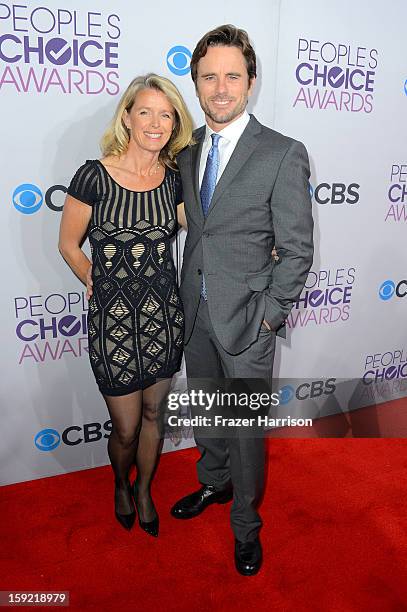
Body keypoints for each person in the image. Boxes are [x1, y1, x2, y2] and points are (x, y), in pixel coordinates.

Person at [170, 25, 314, 575]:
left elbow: (297, 250)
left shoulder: (282, 153)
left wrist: (269, 320)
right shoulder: (187, 154)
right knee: (208, 412)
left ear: (251, 83)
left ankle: (246, 528)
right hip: (196, 312)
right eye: (209, 77)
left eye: (232, 76)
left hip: (249, 320)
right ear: (197, 84)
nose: (221, 87)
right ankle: (214, 482)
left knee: (246, 431)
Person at [59, 74, 193, 537]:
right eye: (146, 112)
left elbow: (205, 231)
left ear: (175, 122)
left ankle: (144, 490)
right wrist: (92, 279)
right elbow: (69, 245)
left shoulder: (175, 181)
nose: (156, 123)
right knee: (127, 428)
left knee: (156, 415)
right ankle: (120, 482)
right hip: (111, 325)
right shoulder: (93, 175)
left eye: (166, 114)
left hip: (163, 318)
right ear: (127, 117)